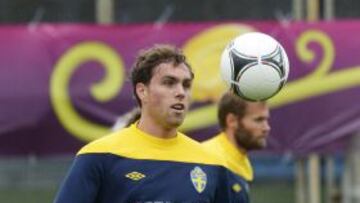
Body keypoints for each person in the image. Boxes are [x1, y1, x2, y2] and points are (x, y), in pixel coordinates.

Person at [54, 44, 249, 203]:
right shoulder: (99, 156)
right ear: (142, 91)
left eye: (186, 85)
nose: (181, 92)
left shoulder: (212, 164)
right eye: (169, 82)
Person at [202, 92, 271, 182]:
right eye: (258, 120)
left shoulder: (245, 164)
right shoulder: (207, 159)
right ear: (232, 121)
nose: (267, 128)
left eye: (266, 120)